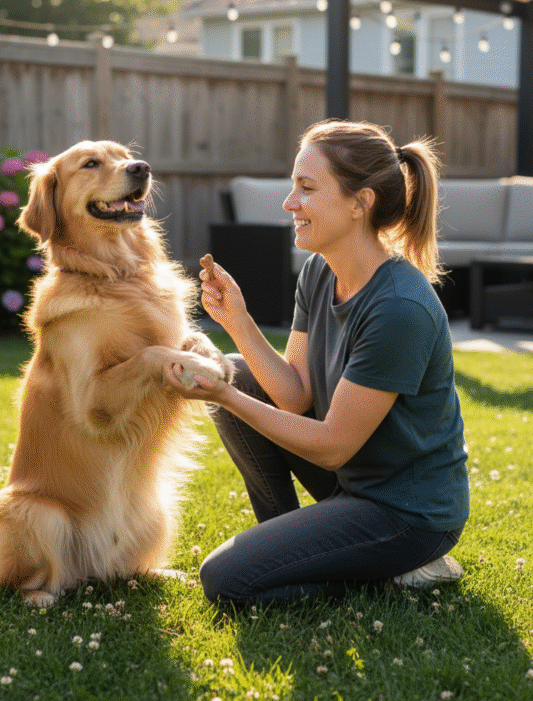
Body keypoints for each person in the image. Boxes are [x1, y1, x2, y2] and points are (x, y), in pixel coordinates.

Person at [164, 119, 469, 605]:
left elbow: (331, 448)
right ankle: (289, 538)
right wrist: (238, 321)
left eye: (306, 188)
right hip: (353, 482)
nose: (290, 203)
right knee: (235, 370)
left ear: (359, 202)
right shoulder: (319, 270)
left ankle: (400, 567)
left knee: (228, 582)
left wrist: (223, 396)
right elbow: (295, 394)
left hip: (406, 513)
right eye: (293, 187)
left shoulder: (399, 309)